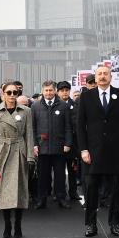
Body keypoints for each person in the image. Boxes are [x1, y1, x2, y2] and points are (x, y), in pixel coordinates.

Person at [77, 65, 119, 237]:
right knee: (91, 189)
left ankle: (114, 223)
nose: (102, 77)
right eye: (99, 74)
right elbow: (80, 126)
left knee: (115, 190)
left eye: (105, 74)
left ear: (111, 77)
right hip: (93, 152)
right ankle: (90, 224)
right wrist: (83, 149)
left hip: (115, 151)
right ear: (96, 77)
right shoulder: (86, 97)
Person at [0, 81, 35, 238]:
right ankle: (7, 224)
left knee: (20, 189)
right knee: (4, 191)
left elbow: (29, 135)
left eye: (15, 92)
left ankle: (18, 225)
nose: (12, 95)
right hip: (4, 151)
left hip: (20, 150)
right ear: (3, 94)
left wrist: (30, 156)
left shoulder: (26, 110)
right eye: (9, 92)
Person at [31, 80, 73, 209]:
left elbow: (68, 127)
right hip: (42, 147)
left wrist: (68, 143)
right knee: (43, 176)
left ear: (55, 91)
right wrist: (34, 144)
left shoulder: (63, 106)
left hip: (59, 147)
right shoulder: (35, 106)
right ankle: (41, 199)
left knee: (60, 175)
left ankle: (61, 198)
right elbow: (33, 128)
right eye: (46, 90)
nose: (48, 93)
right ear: (42, 91)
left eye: (51, 90)